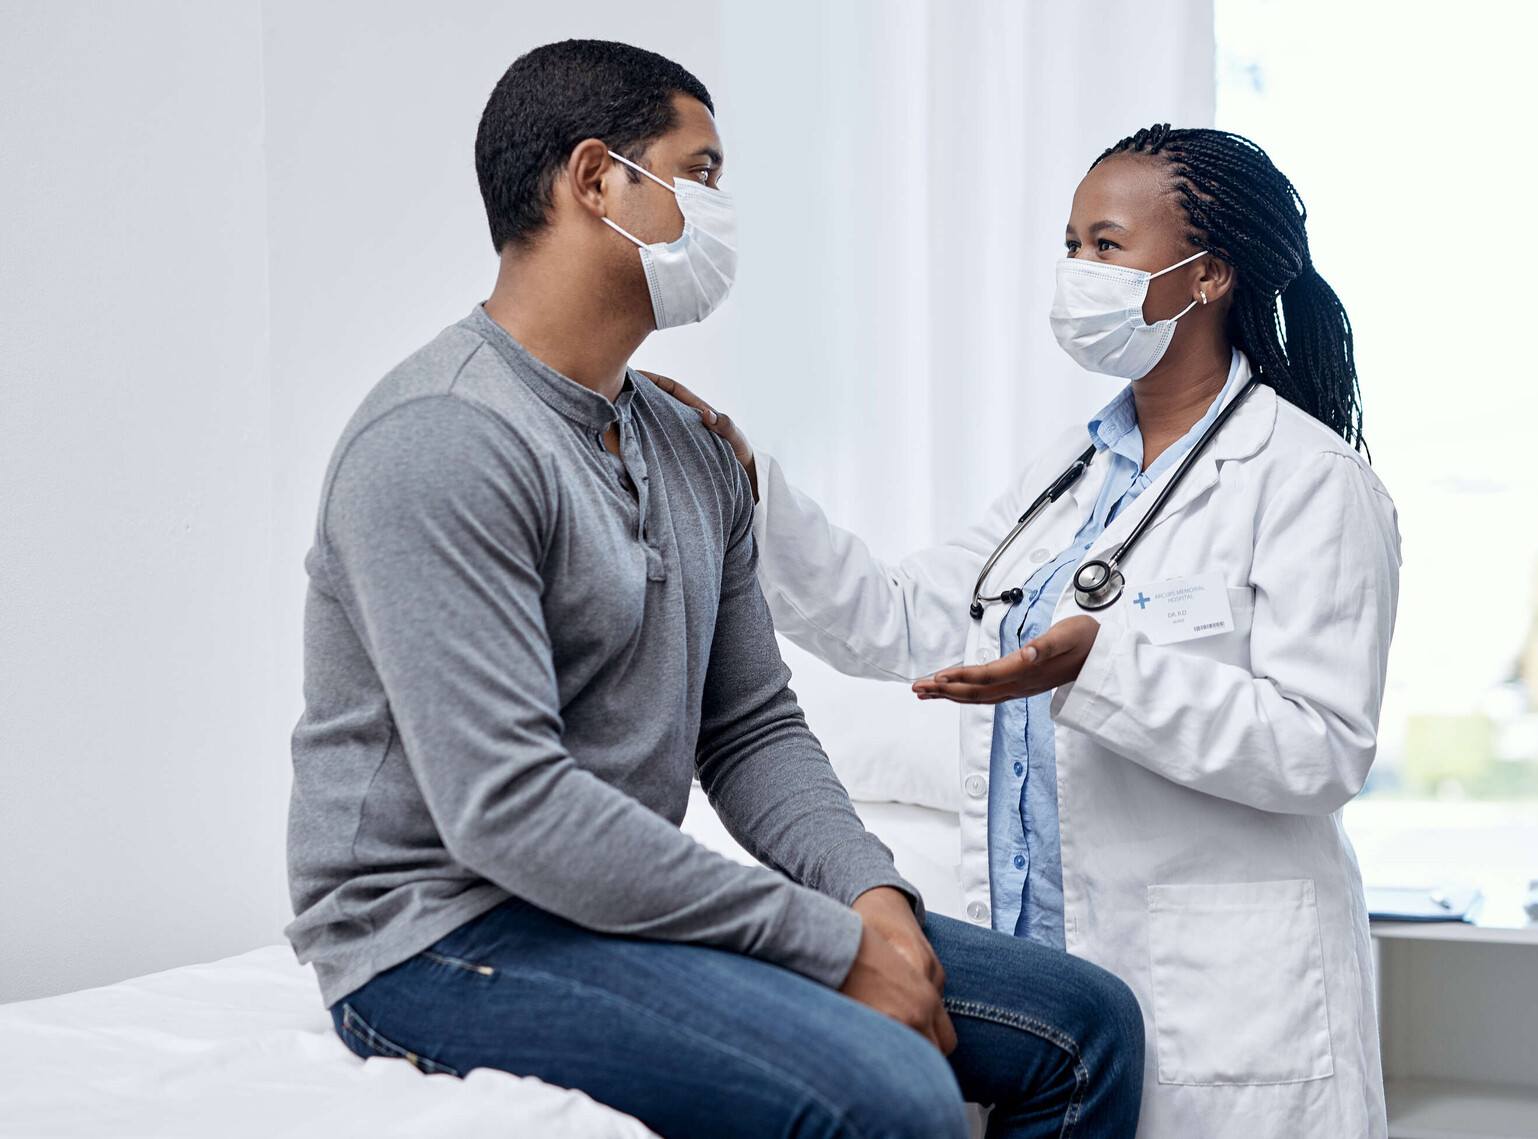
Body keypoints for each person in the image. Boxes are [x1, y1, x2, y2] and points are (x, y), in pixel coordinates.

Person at [284, 39, 1145, 1139]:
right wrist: (827, 944)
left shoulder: (689, 448)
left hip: (600, 907)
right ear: (596, 180)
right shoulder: (443, 439)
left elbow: (748, 726)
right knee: (891, 1092)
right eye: (702, 173)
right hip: (442, 932)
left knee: (1086, 1022)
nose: (719, 208)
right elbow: (509, 807)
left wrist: (873, 899)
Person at [658, 125, 1401, 1138]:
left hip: (1222, 1005)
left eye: (1105, 246)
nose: (1076, 274)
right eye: (1070, 246)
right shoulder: (1070, 470)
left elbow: (1322, 748)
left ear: (1207, 275)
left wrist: (1102, 667)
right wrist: (753, 489)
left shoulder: (1309, 479)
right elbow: (904, 616)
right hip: (1051, 989)